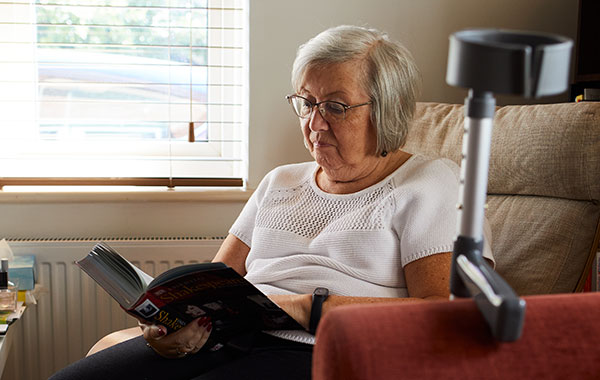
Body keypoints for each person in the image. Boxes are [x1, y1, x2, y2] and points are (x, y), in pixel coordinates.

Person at [49, 24, 493, 380]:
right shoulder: (281, 181)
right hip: (228, 341)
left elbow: (448, 314)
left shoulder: (431, 182)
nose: (315, 123)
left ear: (387, 109)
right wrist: (173, 324)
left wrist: (305, 307)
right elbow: (214, 282)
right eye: (306, 102)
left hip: (323, 350)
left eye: (335, 106)